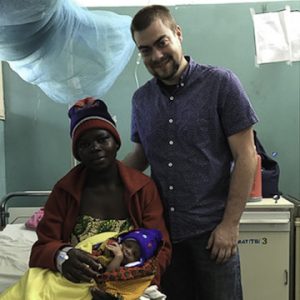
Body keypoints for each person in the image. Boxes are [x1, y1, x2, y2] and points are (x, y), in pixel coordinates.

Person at [123, 5, 259, 300]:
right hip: (163, 239)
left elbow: (247, 156)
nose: (156, 56)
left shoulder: (221, 84)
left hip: (213, 237)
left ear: (178, 34)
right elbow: (140, 156)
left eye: (162, 42)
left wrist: (229, 225)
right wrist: (94, 181)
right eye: (145, 50)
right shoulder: (141, 100)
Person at [0, 97, 171, 300]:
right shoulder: (64, 191)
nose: (95, 147)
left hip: (127, 280)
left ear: (116, 142)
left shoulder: (142, 188)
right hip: (75, 279)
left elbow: (162, 248)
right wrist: (62, 257)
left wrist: (130, 287)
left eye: (102, 139)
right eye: (85, 144)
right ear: (78, 153)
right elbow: (42, 247)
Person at [97, 228, 162, 271]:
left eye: (134, 254)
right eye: (128, 245)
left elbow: (108, 275)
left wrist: (118, 257)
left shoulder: (129, 271)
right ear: (121, 242)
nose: (128, 251)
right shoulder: (110, 244)